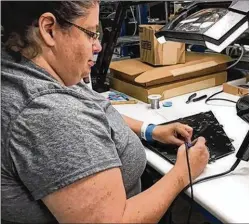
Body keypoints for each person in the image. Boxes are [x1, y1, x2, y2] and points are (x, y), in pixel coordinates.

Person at [1, 1, 209, 223]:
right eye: (90, 33)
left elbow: (98, 107)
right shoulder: (50, 113)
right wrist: (182, 174)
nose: (98, 46)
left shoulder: (33, 67)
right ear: (49, 29)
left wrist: (152, 130)